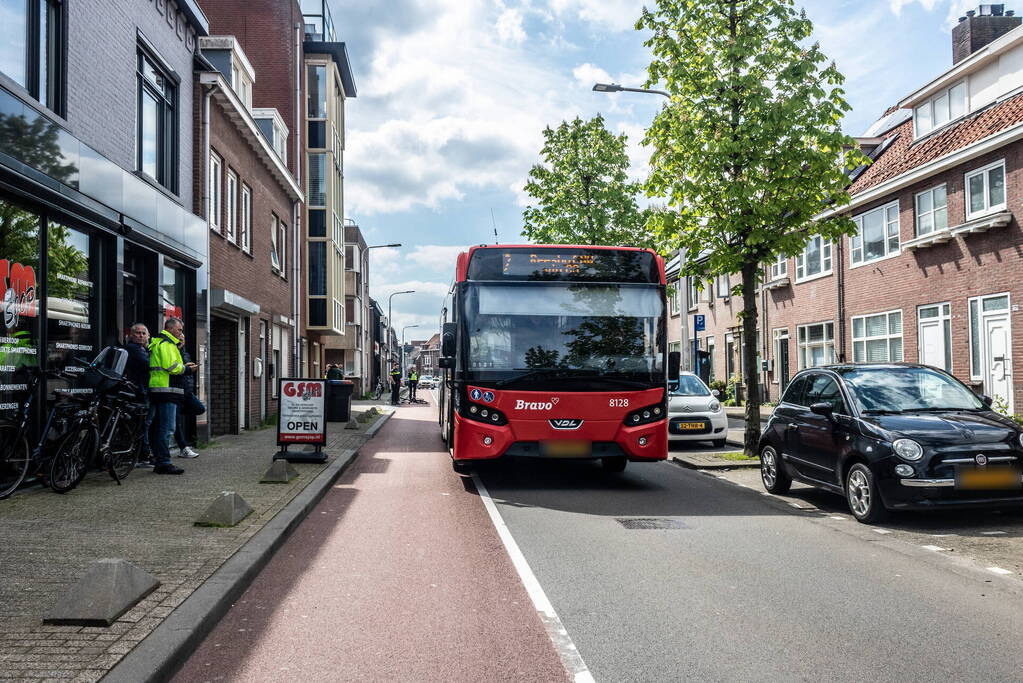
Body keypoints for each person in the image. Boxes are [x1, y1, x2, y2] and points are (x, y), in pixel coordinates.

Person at [148, 318, 190, 474]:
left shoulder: (165, 343)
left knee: (160, 427)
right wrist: (186, 369)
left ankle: (160, 461)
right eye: (179, 330)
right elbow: (171, 366)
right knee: (166, 428)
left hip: (161, 390)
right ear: (170, 329)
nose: (181, 333)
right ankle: (163, 462)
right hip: (167, 391)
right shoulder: (166, 344)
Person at [124, 323, 152, 467]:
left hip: (143, 391)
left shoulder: (143, 349)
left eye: (143, 333)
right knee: (142, 425)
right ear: (131, 335)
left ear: (148, 336)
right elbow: (149, 365)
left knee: (143, 424)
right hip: (138, 392)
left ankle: (142, 454)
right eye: (138, 333)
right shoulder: (133, 349)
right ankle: (143, 456)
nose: (140, 335)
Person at [172, 338, 202, 458]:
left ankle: (174, 414)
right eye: (179, 339)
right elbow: (174, 370)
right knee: (176, 422)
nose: (181, 340)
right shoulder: (172, 351)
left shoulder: (185, 353)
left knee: (200, 408)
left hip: (187, 391)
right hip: (177, 391)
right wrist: (185, 367)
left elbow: (187, 372)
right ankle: (183, 448)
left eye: (183, 339)